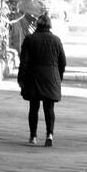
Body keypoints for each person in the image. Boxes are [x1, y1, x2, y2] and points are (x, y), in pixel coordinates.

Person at [18, 11, 66, 146]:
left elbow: (24, 62)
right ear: (50, 25)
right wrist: (58, 77)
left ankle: (33, 136)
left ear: (36, 25)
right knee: (49, 108)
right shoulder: (56, 40)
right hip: (51, 78)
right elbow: (63, 62)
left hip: (33, 78)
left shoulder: (29, 39)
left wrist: (21, 79)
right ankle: (49, 134)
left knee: (33, 107)